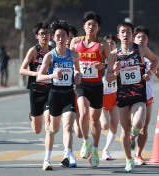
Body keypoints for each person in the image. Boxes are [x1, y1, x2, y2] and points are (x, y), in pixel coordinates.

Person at [106, 21, 159, 172]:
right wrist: (115, 72)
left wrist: (150, 72)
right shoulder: (114, 55)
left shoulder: (141, 49)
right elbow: (108, 77)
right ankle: (129, 159)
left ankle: (133, 137)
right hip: (123, 96)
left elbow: (156, 60)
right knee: (125, 129)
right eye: (122, 32)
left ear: (132, 35)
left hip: (138, 94)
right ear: (118, 36)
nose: (125, 35)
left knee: (139, 123)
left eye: (128, 32)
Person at [37, 20, 81, 168]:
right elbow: (39, 77)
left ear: (68, 38)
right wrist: (52, 76)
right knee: (53, 129)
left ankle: (68, 154)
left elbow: (77, 72)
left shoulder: (74, 55)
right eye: (58, 36)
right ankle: (47, 160)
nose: (61, 39)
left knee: (68, 126)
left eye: (64, 36)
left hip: (68, 93)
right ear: (53, 38)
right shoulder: (50, 56)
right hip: (55, 94)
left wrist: (77, 76)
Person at [70, 11, 110, 167]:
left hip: (97, 86)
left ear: (98, 28)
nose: (91, 27)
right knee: (84, 113)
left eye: (94, 25)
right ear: (84, 27)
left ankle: (95, 148)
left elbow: (111, 64)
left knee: (94, 120)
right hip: (81, 84)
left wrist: (104, 65)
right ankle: (86, 141)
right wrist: (74, 71)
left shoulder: (102, 45)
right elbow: (69, 59)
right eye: (89, 25)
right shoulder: (75, 42)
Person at [19, 22, 53, 170]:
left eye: (46, 33)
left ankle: (47, 159)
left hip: (50, 91)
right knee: (37, 129)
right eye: (41, 34)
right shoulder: (33, 51)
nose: (44, 36)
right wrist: (36, 74)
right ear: (37, 36)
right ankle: (32, 116)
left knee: (48, 123)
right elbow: (22, 69)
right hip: (36, 91)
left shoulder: (53, 52)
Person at [133, 26, 159, 165]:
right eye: (138, 37)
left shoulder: (152, 58)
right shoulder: (130, 54)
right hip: (130, 95)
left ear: (148, 40)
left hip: (147, 95)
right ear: (134, 39)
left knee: (144, 127)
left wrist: (153, 71)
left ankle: (138, 155)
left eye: (144, 37)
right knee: (131, 125)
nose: (141, 39)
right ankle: (130, 137)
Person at [100, 34, 119, 160]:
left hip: (114, 95)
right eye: (107, 43)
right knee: (105, 125)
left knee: (114, 124)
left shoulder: (119, 59)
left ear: (116, 45)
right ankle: (91, 138)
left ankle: (106, 150)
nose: (110, 45)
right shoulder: (100, 59)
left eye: (112, 43)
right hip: (101, 96)